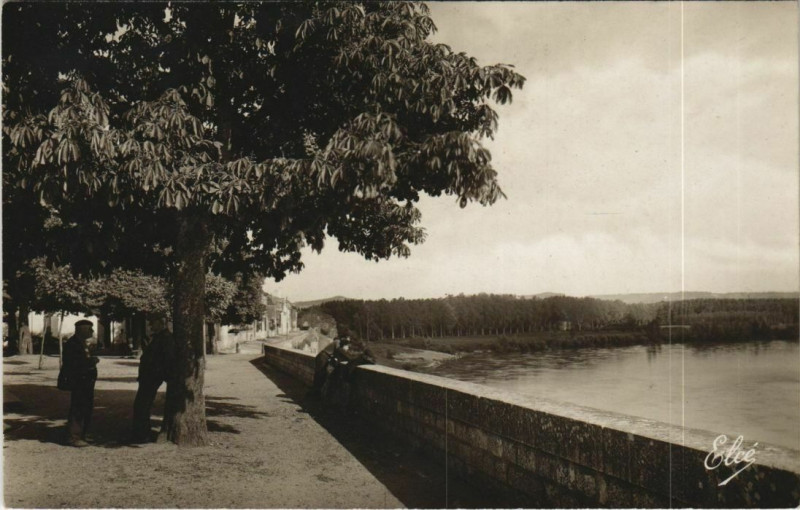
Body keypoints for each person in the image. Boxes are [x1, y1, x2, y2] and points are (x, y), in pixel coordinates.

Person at [132, 314, 175, 443]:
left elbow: (167, 359)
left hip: (153, 377)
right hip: (148, 377)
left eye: (153, 323)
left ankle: (142, 435)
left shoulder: (166, 338)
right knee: (141, 405)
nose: (150, 326)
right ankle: (141, 433)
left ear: (161, 323)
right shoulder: (158, 337)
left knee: (142, 405)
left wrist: (161, 375)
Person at [62, 319, 99, 447]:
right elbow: (73, 364)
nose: (92, 331)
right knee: (78, 408)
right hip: (79, 381)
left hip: (86, 381)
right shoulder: (72, 344)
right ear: (82, 330)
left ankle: (82, 434)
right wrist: (91, 362)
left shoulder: (82, 343)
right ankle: (73, 437)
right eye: (90, 329)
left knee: (86, 407)